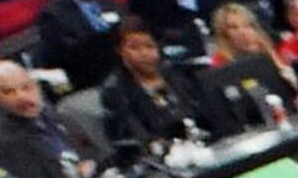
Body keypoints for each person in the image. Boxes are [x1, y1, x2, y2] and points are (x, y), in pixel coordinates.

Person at [99, 19, 234, 152]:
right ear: (120, 51)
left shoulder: (180, 73)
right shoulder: (116, 91)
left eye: (149, 46)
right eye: (135, 48)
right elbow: (136, 138)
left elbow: (208, 113)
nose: (144, 53)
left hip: (209, 144)